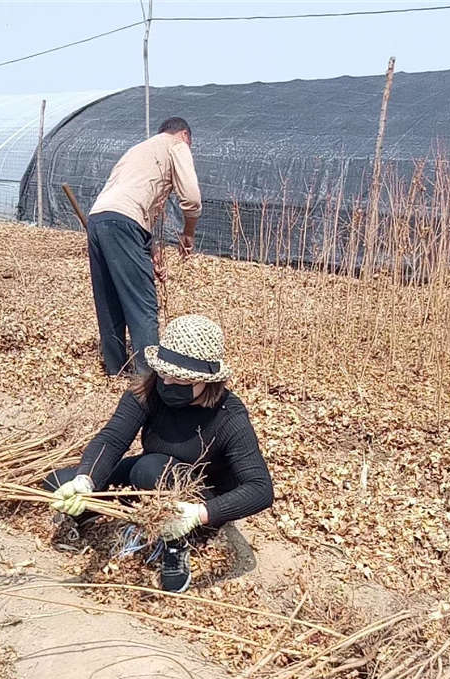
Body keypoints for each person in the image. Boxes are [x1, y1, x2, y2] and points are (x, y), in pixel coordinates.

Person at [46, 315, 274, 594]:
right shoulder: (148, 389)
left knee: (149, 469)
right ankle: (97, 509)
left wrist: (200, 514)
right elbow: (113, 437)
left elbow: (260, 489)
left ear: (205, 381)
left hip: (197, 498)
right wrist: (86, 480)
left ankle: (176, 543)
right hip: (152, 477)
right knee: (58, 481)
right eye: (163, 372)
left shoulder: (229, 416)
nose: (166, 381)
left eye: (178, 378)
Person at [87, 117, 202, 379]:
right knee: (143, 303)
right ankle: (149, 378)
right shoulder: (177, 145)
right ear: (184, 134)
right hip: (125, 221)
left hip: (98, 219)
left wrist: (149, 251)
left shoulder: (138, 150)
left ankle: (116, 370)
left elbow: (136, 200)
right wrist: (188, 233)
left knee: (109, 299)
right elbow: (191, 198)